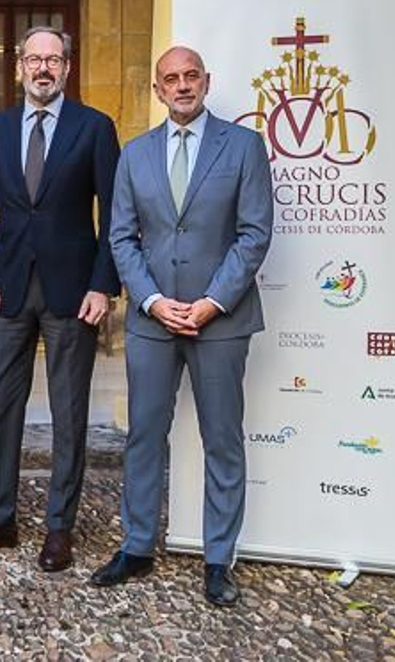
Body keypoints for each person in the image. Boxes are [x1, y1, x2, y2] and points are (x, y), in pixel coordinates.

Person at [89, 45, 272, 608]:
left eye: (191, 75)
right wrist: (150, 300)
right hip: (153, 322)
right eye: (172, 78)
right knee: (143, 435)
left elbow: (254, 233)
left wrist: (213, 302)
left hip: (221, 319)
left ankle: (219, 559)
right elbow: (121, 236)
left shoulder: (243, 146)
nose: (183, 85)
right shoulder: (135, 155)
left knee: (222, 439)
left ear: (207, 82)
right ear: (157, 89)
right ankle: (138, 544)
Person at [0, 26, 121, 572]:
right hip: (6, 292)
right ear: (19, 66)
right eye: (35, 59)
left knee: (68, 411)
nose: (44, 68)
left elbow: (115, 215)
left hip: (72, 293)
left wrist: (103, 284)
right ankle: (0, 517)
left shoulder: (95, 128)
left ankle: (59, 527)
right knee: (2, 408)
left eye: (54, 60)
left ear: (68, 69)